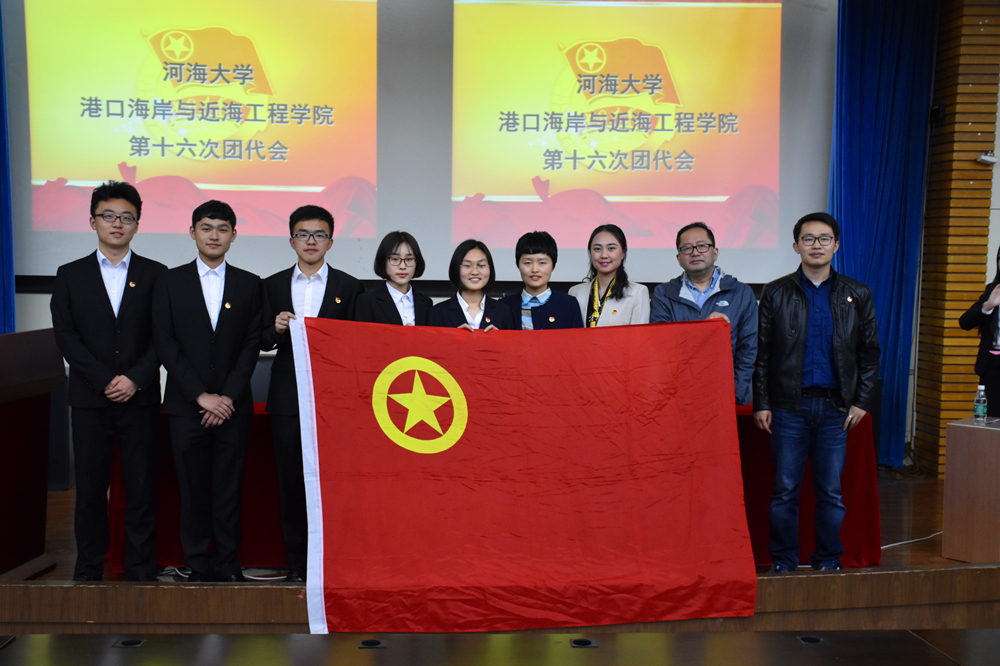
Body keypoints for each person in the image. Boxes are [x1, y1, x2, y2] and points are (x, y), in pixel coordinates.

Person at [50, 181, 166, 582]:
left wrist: (134, 378)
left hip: (140, 398)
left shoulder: (156, 275)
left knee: (141, 488)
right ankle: (88, 568)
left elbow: (163, 336)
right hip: (89, 399)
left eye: (126, 217)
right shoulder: (70, 275)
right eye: (109, 216)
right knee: (90, 490)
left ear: (137, 224)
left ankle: (140, 566)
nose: (117, 224)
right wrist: (104, 379)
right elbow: (66, 336)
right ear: (93, 221)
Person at [753, 212, 880, 573]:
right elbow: (763, 354)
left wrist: (861, 401)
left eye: (824, 239)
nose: (816, 245)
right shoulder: (776, 292)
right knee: (784, 491)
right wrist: (762, 402)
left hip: (835, 409)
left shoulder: (857, 293)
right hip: (788, 407)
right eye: (808, 239)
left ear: (836, 245)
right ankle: (784, 560)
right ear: (796, 246)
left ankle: (828, 559)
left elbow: (869, 354)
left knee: (831, 493)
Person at [153, 200, 262, 583]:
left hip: (233, 407)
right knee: (192, 489)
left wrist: (227, 397)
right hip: (187, 407)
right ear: (192, 232)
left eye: (222, 229)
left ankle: (228, 563)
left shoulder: (250, 283)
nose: (214, 235)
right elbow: (165, 342)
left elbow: (251, 344)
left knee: (229, 490)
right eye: (206, 227)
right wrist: (200, 395)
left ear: (234, 235)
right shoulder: (169, 282)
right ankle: (197, 563)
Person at [260, 205, 364, 582]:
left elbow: (358, 344)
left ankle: (332, 563)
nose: (311, 241)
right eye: (303, 234)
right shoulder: (271, 285)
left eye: (319, 235)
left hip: (334, 400)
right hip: (288, 397)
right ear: (291, 241)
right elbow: (259, 339)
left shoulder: (349, 287)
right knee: (291, 483)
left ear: (330, 242)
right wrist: (274, 329)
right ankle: (297, 564)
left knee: (333, 484)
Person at [650, 222, 757, 404]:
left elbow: (748, 350)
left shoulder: (741, 293)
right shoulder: (664, 293)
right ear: (678, 258)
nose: (695, 252)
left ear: (715, 253)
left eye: (702, 246)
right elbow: (662, 345)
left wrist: (735, 393)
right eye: (687, 248)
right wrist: (704, 329)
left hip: (724, 395)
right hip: (676, 396)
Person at [500, 231, 584, 330]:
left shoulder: (568, 304)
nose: (535, 269)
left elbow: (578, 339)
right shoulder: (504, 305)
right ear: (518, 265)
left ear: (553, 266)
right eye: (527, 263)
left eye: (542, 263)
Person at [569, 224, 649, 326]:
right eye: (597, 249)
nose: (604, 255)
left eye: (611, 248)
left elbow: (639, 335)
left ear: (623, 252)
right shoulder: (575, 292)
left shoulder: (637, 293)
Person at [428, 239, 514, 330]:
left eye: (481, 265)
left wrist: (500, 337)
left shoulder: (503, 311)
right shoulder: (437, 313)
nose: (475, 272)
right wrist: (453, 337)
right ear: (456, 268)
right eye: (467, 266)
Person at [354, 231, 431, 326]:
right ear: (383, 261)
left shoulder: (426, 303)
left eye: (409, 259)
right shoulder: (367, 301)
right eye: (395, 259)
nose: (402, 266)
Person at [959, 246, 1000, 416]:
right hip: (992, 366)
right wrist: (988, 305)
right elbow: (965, 322)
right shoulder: (993, 290)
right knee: (991, 420)